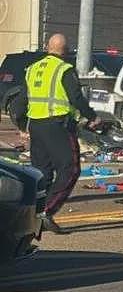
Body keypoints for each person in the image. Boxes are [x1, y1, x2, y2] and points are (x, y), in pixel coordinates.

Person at [19, 34, 101, 234]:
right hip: (57, 125)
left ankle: (32, 218)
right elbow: (76, 97)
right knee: (70, 169)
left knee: (42, 174)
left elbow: (22, 99)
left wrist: (22, 125)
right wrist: (92, 117)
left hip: (36, 126)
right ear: (66, 50)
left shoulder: (32, 69)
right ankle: (46, 212)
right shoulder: (64, 69)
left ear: (48, 47)